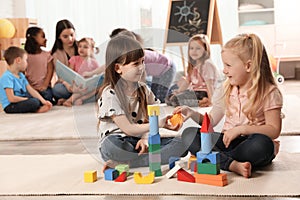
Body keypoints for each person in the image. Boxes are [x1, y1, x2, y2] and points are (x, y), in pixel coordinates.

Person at [173, 33, 283, 178]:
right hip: (227, 142)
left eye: (228, 65)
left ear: (248, 66)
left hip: (250, 143)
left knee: (263, 146)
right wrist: (192, 113)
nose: (224, 70)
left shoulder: (268, 92)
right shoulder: (226, 89)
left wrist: (241, 129)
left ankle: (214, 158)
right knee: (189, 134)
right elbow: (210, 121)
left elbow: (274, 130)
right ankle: (231, 164)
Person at [97, 35, 187, 168]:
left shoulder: (144, 89)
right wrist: (157, 125)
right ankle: (141, 159)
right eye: (135, 64)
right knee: (112, 147)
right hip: (119, 141)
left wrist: (145, 138)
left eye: (143, 61)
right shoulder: (110, 94)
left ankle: (130, 162)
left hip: (140, 139)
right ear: (118, 68)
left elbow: (150, 118)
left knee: (182, 144)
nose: (142, 67)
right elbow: (128, 129)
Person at [110, 28, 177, 103]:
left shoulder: (139, 56)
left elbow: (142, 78)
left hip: (168, 68)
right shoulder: (128, 58)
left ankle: (174, 91)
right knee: (155, 93)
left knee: (160, 96)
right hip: (159, 71)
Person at [166, 34, 220, 107]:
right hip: (194, 91)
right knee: (168, 98)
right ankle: (196, 101)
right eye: (191, 48)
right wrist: (179, 91)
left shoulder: (207, 64)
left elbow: (209, 85)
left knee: (175, 100)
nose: (194, 51)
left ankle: (201, 102)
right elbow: (187, 81)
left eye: (198, 48)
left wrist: (211, 101)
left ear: (205, 49)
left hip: (203, 93)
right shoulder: (194, 65)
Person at [0, 46, 52, 113]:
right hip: (11, 105)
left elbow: (31, 90)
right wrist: (28, 99)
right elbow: (11, 98)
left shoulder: (21, 75)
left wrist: (44, 101)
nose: (27, 63)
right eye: (26, 60)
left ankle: (36, 105)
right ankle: (36, 110)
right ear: (18, 60)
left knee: (41, 96)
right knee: (34, 102)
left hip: (21, 100)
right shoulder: (7, 77)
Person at [63, 37, 102, 106]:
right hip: (76, 83)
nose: (81, 49)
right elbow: (70, 73)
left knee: (97, 88)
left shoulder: (93, 62)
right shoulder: (74, 59)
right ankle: (69, 101)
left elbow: (99, 73)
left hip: (88, 85)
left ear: (91, 50)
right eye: (80, 46)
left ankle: (81, 99)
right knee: (80, 90)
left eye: (85, 47)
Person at [24, 26, 55, 104]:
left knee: (47, 95)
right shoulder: (25, 56)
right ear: (34, 38)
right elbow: (22, 74)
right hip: (30, 88)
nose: (46, 39)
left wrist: (44, 86)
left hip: (44, 88)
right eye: (43, 36)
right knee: (28, 96)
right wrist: (31, 87)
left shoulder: (47, 55)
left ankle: (41, 102)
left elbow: (50, 71)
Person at [51, 19, 79, 104]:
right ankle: (77, 98)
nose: (70, 39)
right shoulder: (56, 54)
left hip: (81, 82)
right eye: (65, 36)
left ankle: (70, 99)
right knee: (57, 90)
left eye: (72, 35)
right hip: (66, 84)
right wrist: (67, 85)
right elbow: (60, 76)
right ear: (59, 36)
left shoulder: (81, 47)